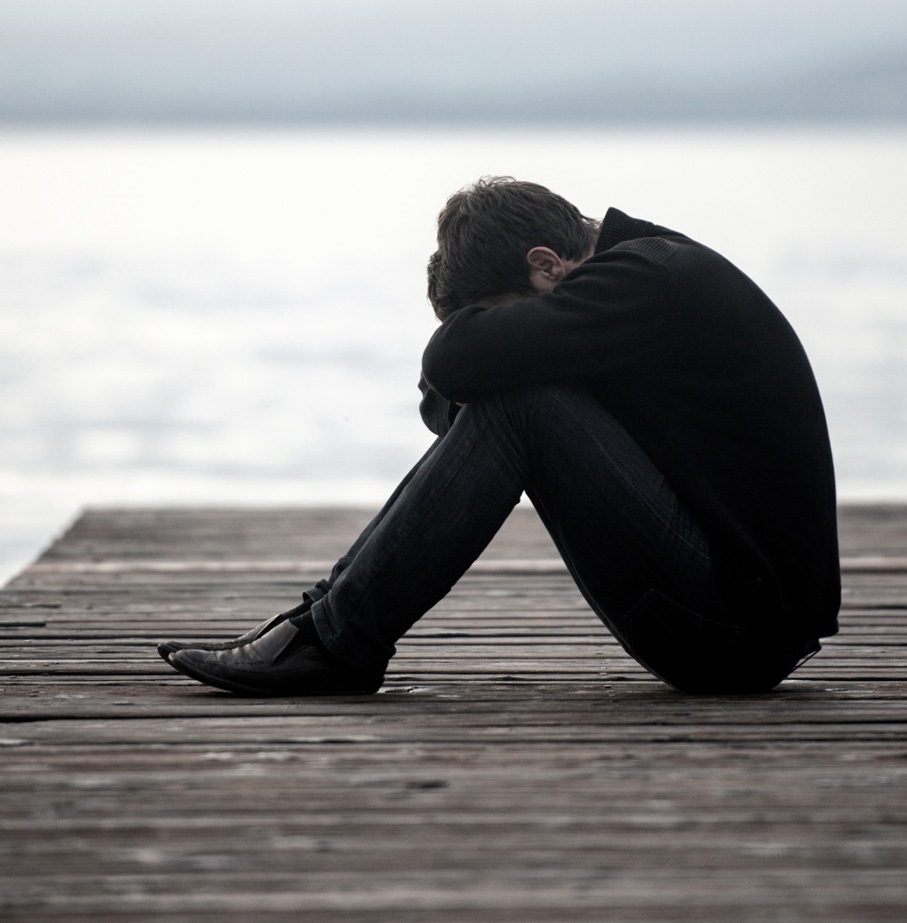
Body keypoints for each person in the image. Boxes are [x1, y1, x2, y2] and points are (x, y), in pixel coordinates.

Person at [161, 177, 840, 696]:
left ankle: (334, 640)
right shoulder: (639, 281)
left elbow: (454, 364)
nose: (512, 339)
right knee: (517, 400)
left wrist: (490, 364)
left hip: (735, 637)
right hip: (727, 621)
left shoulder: (648, 280)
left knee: (522, 404)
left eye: (503, 319)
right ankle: (326, 625)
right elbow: (454, 395)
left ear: (548, 263)